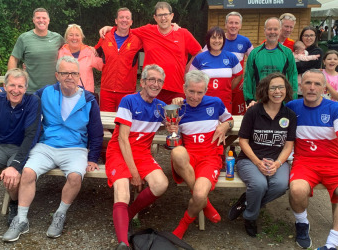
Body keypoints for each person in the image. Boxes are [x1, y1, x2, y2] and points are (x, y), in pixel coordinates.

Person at [2, 56, 103, 242]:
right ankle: (21, 219)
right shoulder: (45, 93)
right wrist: (2, 92)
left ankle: (59, 215)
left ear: (79, 75)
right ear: (57, 75)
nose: (69, 77)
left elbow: (96, 133)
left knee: (74, 177)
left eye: (73, 73)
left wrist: (92, 158)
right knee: (28, 172)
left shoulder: (89, 100)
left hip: (75, 149)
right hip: (46, 146)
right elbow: (22, 97)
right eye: (64, 73)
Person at [105, 64, 168, 249]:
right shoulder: (128, 100)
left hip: (142, 153)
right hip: (119, 150)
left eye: (159, 81)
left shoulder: (162, 107)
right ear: (142, 82)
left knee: (161, 184)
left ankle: (128, 214)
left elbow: (173, 126)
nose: (155, 84)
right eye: (152, 79)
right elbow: (123, 140)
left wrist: (173, 127)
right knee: (123, 190)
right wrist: (134, 173)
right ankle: (123, 243)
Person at [227, 72, 297, 237]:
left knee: (281, 185)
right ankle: (250, 217)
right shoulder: (253, 112)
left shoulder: (290, 115)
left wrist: (278, 164)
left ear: (286, 90)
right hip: (250, 160)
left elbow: (288, 145)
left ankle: (246, 202)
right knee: (259, 185)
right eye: (273, 88)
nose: (277, 91)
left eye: (281, 87)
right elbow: (242, 141)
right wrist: (258, 162)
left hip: (277, 161)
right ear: (266, 90)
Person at [170, 70, 234, 239]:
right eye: (191, 91)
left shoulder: (215, 102)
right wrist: (172, 120)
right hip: (188, 158)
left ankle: (186, 220)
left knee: (199, 195)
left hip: (209, 157)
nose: (195, 97)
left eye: (200, 92)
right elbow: (168, 131)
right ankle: (207, 205)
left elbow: (230, 119)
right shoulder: (178, 107)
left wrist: (226, 126)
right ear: (184, 88)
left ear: (206, 90)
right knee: (177, 151)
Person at [100, 2, 202, 105]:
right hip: (151, 89)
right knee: (150, 120)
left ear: (172, 16)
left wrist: (187, 70)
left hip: (176, 90)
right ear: (155, 18)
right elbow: (125, 30)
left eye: (166, 14)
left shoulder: (183, 33)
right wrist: (111, 28)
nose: (163, 18)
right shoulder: (147, 31)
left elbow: (199, 53)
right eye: (160, 15)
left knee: (175, 120)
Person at [286, 69, 338, 249]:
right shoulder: (292, 106)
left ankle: (332, 242)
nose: (312, 88)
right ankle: (302, 223)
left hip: (333, 162)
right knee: (297, 190)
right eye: (308, 83)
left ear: (324, 88)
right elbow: (270, 114)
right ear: (301, 86)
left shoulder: (334, 108)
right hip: (304, 162)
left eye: (317, 84)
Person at [0, 69, 41, 226]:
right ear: (4, 85)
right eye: (12, 85)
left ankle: (14, 203)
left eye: (20, 86)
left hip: (20, 147)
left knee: (13, 177)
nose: (16, 90)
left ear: (26, 88)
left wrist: (15, 166)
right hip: (0, 146)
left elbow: (31, 136)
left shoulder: (33, 101)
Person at [95, 7, 142, 111]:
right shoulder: (105, 37)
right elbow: (93, 53)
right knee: (106, 124)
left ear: (131, 22)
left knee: (125, 124)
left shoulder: (138, 40)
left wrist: (173, 26)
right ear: (116, 21)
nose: (124, 20)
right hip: (107, 90)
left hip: (127, 91)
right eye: (121, 17)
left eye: (127, 18)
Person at [243, 17, 298, 106]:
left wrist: (292, 100)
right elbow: (248, 78)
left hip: (281, 102)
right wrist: (249, 99)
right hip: (259, 102)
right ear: (264, 31)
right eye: (269, 29)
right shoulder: (254, 53)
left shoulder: (287, 53)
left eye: (275, 29)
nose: (272, 32)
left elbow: (292, 77)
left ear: (280, 31)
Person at [8, 8, 64, 92]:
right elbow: (13, 59)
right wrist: (12, 81)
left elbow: (70, 52)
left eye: (44, 18)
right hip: (30, 91)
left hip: (53, 91)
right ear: (33, 20)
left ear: (48, 20)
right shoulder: (24, 38)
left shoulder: (57, 38)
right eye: (38, 18)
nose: (41, 20)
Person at [190, 26, 243, 113]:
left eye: (220, 38)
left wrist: (229, 89)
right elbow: (190, 78)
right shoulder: (200, 57)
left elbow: (239, 75)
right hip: (204, 101)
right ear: (208, 40)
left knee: (225, 125)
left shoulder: (231, 57)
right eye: (213, 38)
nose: (217, 41)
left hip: (225, 101)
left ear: (223, 40)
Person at [223, 11, 254, 116]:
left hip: (238, 87)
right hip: (221, 86)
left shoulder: (245, 41)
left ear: (240, 25)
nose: (233, 26)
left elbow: (254, 60)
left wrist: (246, 80)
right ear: (225, 24)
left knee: (238, 117)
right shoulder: (217, 39)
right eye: (231, 23)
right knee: (222, 115)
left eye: (236, 23)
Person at [58, 24, 103, 93]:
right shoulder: (60, 52)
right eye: (71, 35)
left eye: (77, 35)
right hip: (66, 94)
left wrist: (101, 50)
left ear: (81, 37)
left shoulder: (89, 52)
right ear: (66, 37)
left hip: (86, 94)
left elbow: (103, 66)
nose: (74, 38)